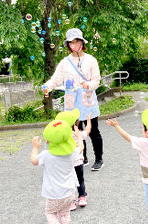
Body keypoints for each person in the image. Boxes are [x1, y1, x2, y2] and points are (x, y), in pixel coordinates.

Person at [42, 28, 104, 171]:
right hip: (72, 100)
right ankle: (83, 156)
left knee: (93, 130)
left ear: (82, 42)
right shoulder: (65, 62)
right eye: (71, 43)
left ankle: (99, 158)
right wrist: (47, 87)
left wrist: (88, 84)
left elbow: (96, 80)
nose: (74, 45)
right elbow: (56, 79)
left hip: (87, 97)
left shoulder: (91, 60)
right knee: (76, 130)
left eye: (76, 42)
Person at [31, 119, 83, 224]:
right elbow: (81, 148)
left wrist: (35, 147)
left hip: (54, 193)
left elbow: (34, 161)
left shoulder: (46, 155)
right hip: (70, 192)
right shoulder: (71, 154)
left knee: (50, 213)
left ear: (48, 141)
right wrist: (77, 135)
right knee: (65, 213)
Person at [55, 109, 91, 210]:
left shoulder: (60, 136)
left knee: (68, 183)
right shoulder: (77, 133)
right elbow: (87, 131)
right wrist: (88, 120)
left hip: (65, 165)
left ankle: (71, 202)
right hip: (78, 162)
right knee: (80, 181)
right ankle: (82, 197)